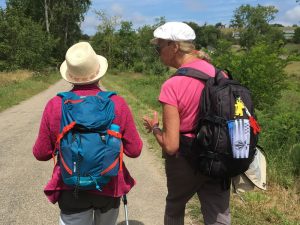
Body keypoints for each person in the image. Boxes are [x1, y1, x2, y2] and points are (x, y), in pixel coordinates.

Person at [33, 41, 143, 225]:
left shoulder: (55, 105)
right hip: (109, 186)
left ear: (69, 76)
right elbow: (135, 150)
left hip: (71, 186)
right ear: (99, 73)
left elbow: (41, 153)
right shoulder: (117, 104)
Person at [143, 22, 230, 225]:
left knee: (175, 208)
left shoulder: (173, 85)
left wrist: (156, 129)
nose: (158, 53)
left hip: (186, 160)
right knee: (219, 214)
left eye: (159, 47)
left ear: (174, 47)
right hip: (220, 155)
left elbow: (172, 146)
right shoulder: (220, 75)